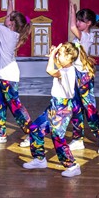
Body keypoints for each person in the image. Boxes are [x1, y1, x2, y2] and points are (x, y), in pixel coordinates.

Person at [23, 42, 82, 177]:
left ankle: (72, 166)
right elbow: (57, 66)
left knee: (57, 136)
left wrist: (52, 56)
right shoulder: (65, 68)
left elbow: (50, 70)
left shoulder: (69, 71)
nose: (58, 56)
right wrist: (54, 56)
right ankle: (39, 159)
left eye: (60, 54)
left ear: (69, 57)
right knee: (35, 129)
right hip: (54, 106)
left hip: (63, 108)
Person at [0, 0, 33, 146]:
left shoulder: (6, 33)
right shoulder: (11, 32)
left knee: (15, 107)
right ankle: (0, 134)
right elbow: (10, 15)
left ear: (11, 24)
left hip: (7, 75)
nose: (6, 16)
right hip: (3, 73)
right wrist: (10, 1)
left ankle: (32, 134)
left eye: (9, 17)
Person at [67, 3, 99, 155]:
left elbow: (72, 26)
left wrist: (72, 11)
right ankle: (77, 139)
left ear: (88, 23)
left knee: (89, 108)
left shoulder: (86, 36)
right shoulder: (80, 37)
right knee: (76, 108)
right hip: (75, 74)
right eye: (78, 20)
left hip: (84, 76)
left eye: (81, 21)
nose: (78, 23)